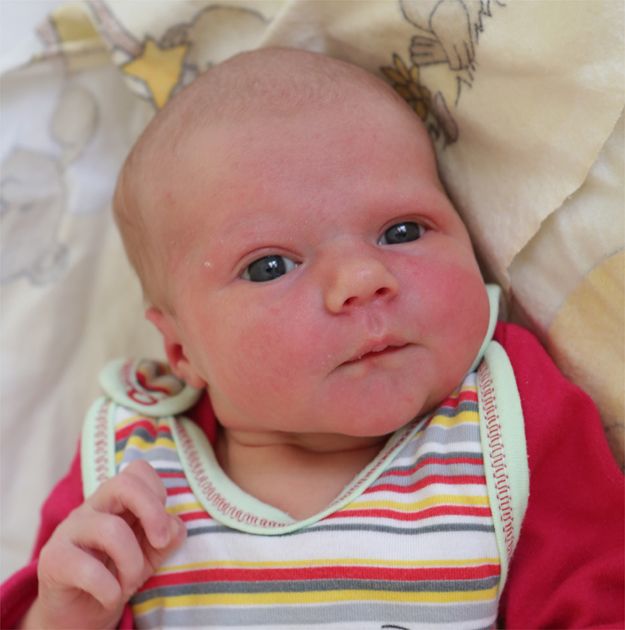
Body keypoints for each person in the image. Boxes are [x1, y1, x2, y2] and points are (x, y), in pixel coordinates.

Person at [1, 47, 623, 630]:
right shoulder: (133, 481)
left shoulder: (503, 421)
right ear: (182, 350)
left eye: (403, 231)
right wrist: (62, 616)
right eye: (271, 265)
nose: (362, 278)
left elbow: (596, 593)